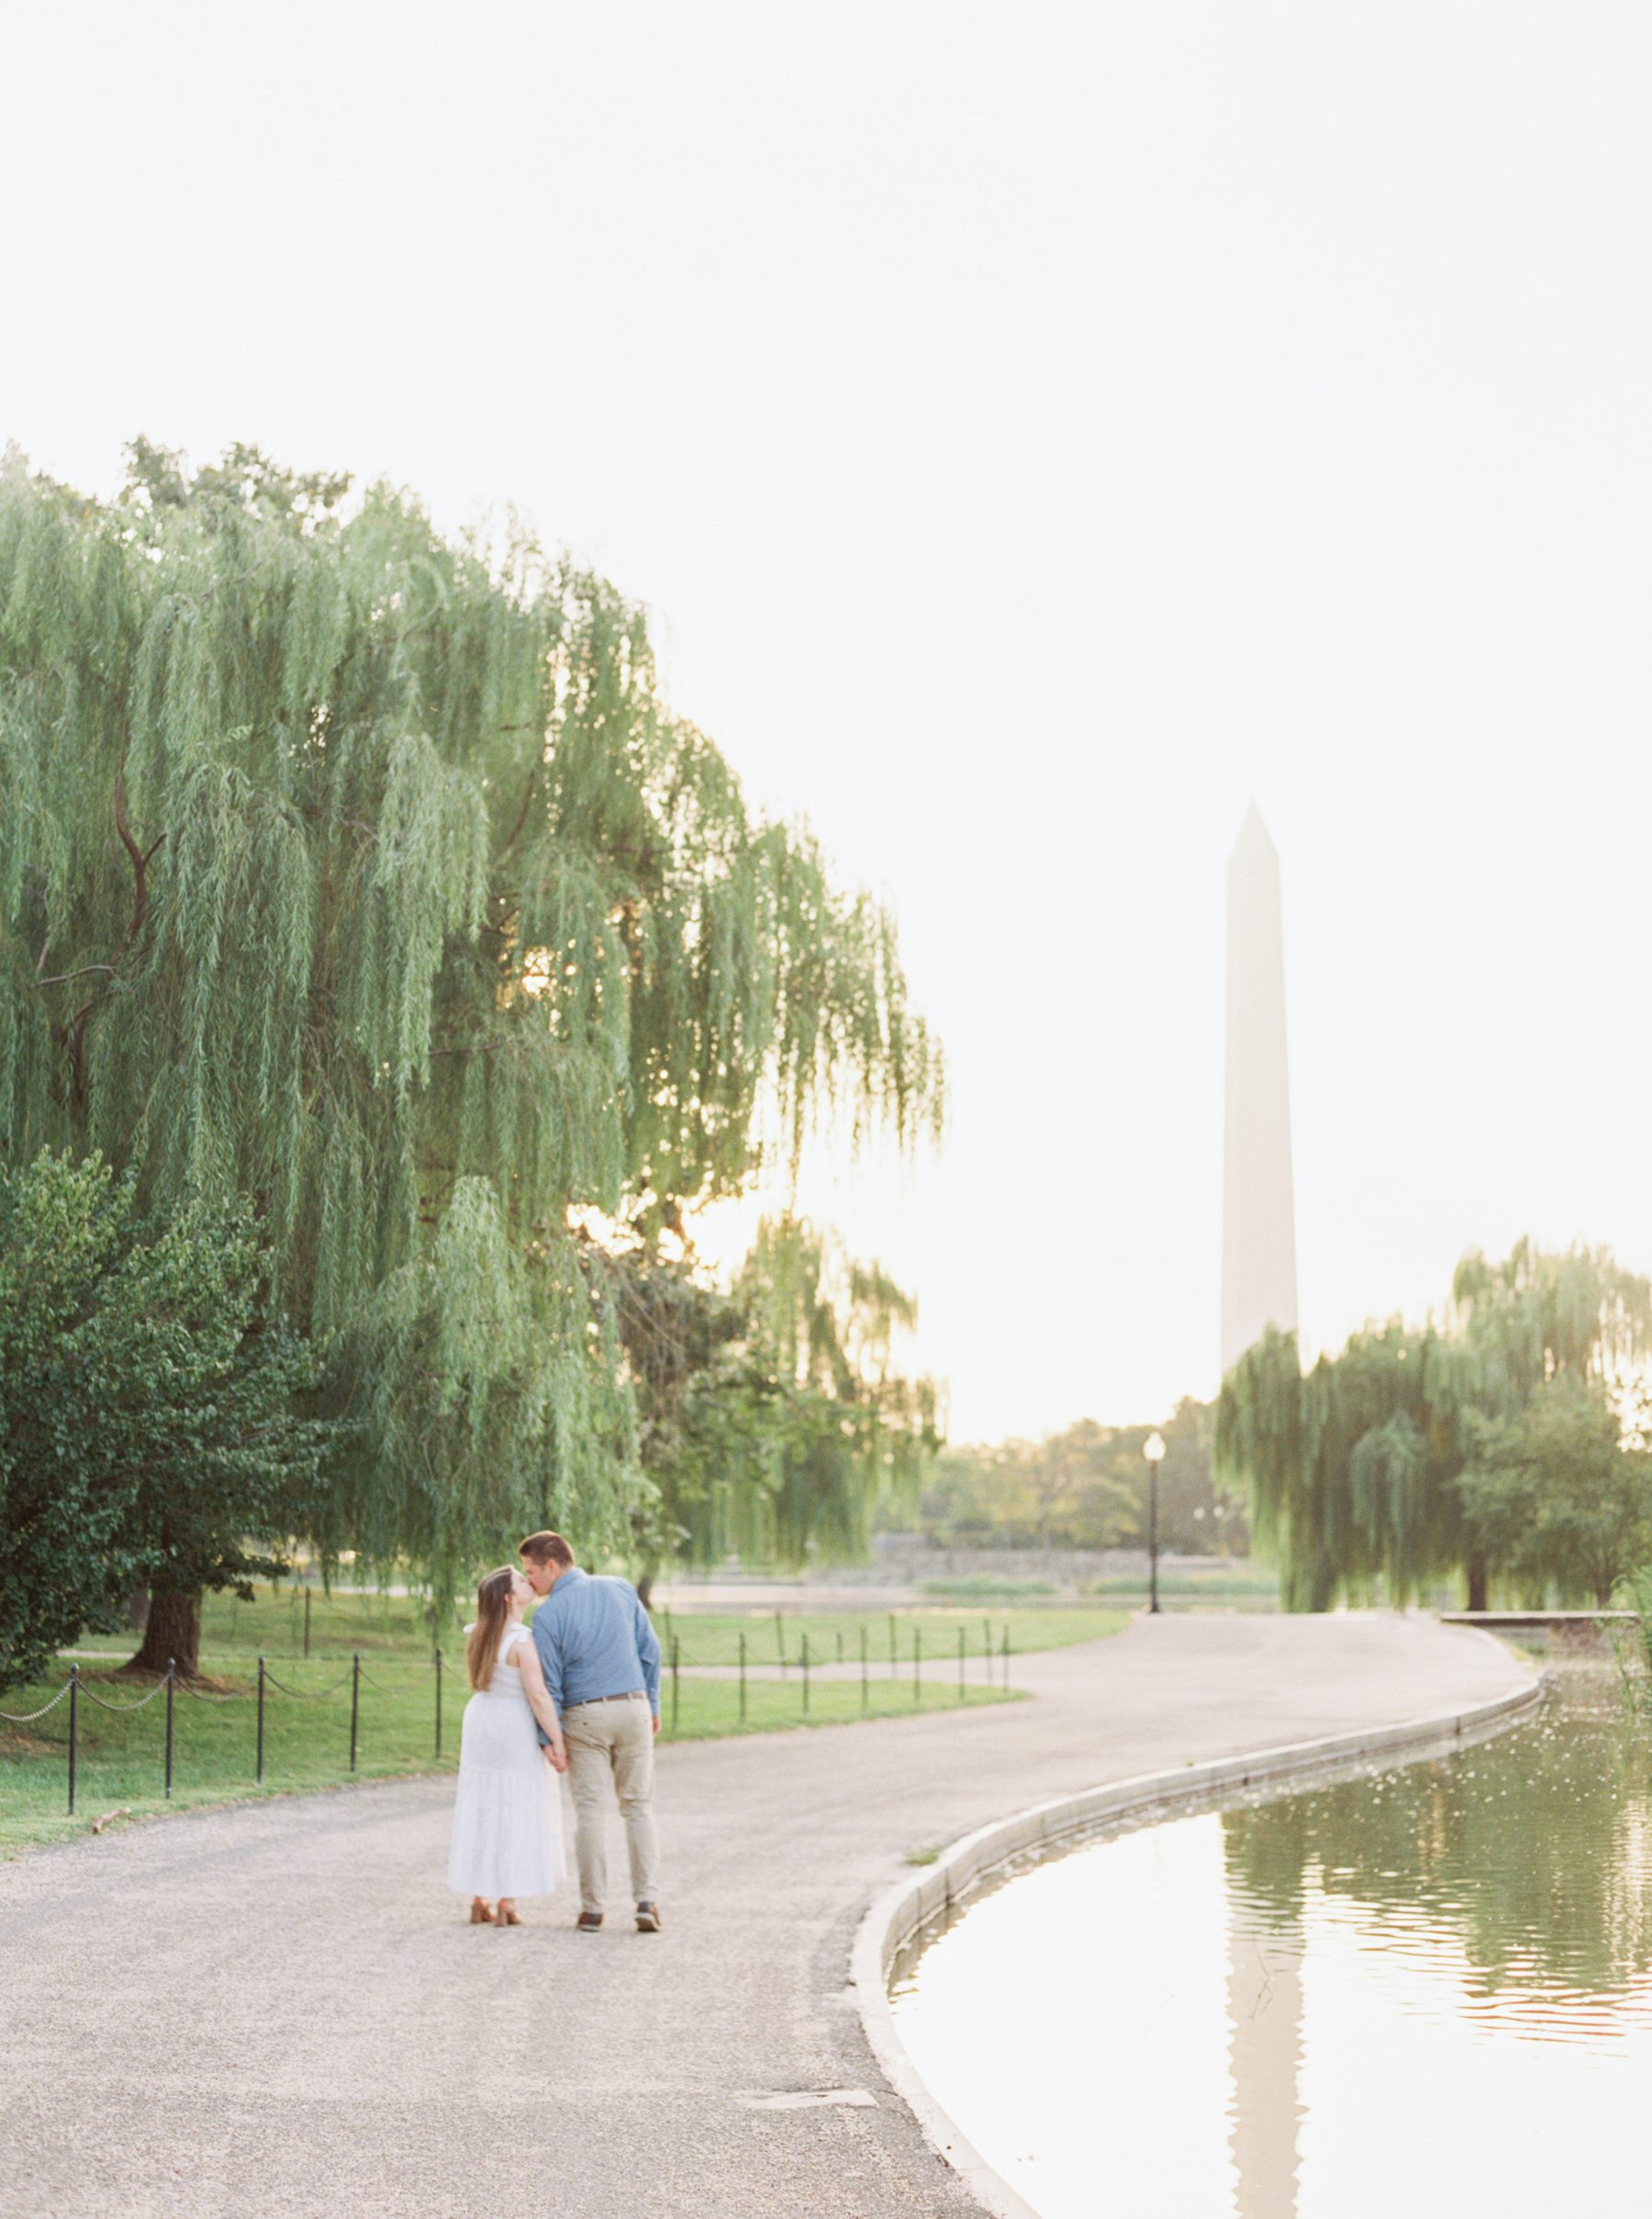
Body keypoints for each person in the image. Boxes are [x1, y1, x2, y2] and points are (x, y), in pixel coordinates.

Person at [518, 1530, 663, 1934]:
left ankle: (593, 1910)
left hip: (584, 1717)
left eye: (532, 1572)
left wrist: (551, 1740)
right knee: (637, 1804)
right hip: (632, 1708)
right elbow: (649, 1652)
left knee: (590, 1811)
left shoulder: (547, 1616)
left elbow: (550, 1685)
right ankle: (647, 1901)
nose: (529, 1581)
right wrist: (652, 1704)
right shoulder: (619, 1588)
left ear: (552, 1565)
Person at [447, 1566, 568, 1925]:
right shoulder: (520, 1640)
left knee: (483, 1803)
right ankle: (508, 1901)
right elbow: (537, 1694)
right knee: (514, 1803)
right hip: (512, 1724)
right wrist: (558, 1740)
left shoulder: (481, 1634)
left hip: (483, 1720)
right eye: (519, 1581)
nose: (527, 1582)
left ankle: (479, 1897)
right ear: (508, 1597)